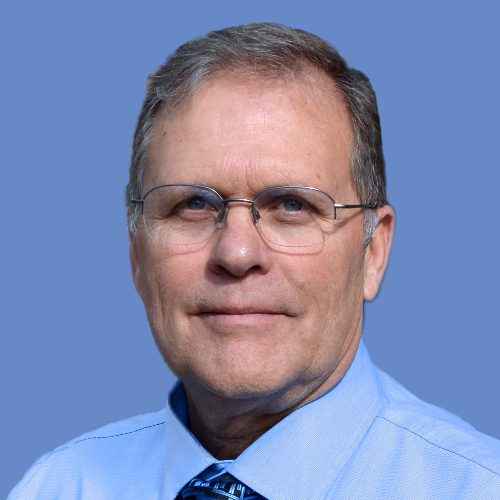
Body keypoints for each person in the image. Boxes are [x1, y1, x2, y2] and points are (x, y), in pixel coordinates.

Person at [9, 23, 500, 500]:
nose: (237, 254)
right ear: (137, 251)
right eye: (193, 205)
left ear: (373, 251)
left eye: (292, 205)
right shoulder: (56, 488)